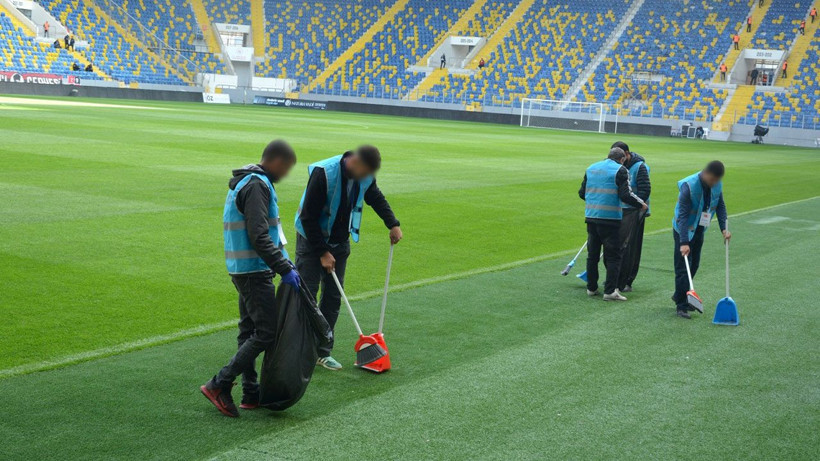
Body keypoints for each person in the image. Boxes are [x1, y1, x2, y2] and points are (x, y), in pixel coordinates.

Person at [200, 140, 300, 417]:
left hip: (241, 267)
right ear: (276, 161)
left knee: (248, 332)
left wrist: (284, 260)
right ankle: (218, 384)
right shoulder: (257, 185)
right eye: (287, 168)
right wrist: (284, 268)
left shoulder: (247, 182)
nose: (286, 174)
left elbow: (267, 232)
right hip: (254, 270)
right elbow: (259, 235)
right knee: (266, 333)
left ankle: (250, 393)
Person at [294, 146, 402, 370]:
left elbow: (375, 197)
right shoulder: (323, 174)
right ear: (354, 162)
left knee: (333, 297)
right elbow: (307, 217)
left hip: (340, 241)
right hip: (312, 240)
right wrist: (323, 252)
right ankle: (296, 350)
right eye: (364, 173)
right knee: (306, 296)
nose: (366, 178)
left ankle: (322, 351)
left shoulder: (365, 175)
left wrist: (392, 223)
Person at [578, 147, 647, 301]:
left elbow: (582, 193)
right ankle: (610, 291)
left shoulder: (591, 168)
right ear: (622, 159)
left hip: (591, 216)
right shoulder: (621, 170)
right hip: (610, 219)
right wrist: (641, 204)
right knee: (613, 256)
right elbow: (625, 194)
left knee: (592, 255)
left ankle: (591, 287)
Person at [672, 161, 730, 319]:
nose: (713, 183)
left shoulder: (717, 185)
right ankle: (681, 305)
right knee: (684, 269)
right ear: (705, 173)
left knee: (694, 264)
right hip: (682, 229)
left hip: (699, 228)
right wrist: (683, 242)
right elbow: (682, 216)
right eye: (712, 180)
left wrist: (724, 228)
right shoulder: (688, 186)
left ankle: (680, 295)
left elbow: (720, 206)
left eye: (716, 180)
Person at [611, 142, 650, 294]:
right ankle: (616, 278)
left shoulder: (640, 167)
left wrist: (635, 206)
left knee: (631, 247)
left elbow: (645, 190)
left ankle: (628, 280)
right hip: (619, 211)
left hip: (635, 211)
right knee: (618, 246)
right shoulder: (617, 165)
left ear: (626, 154)